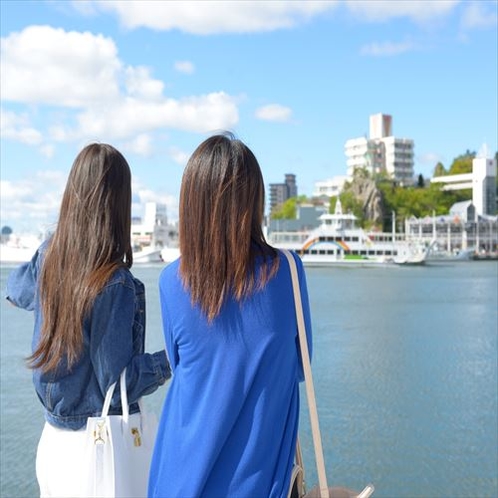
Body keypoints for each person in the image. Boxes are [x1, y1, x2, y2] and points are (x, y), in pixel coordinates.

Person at [148, 132, 312, 498]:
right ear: (254, 202)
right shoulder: (287, 271)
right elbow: (303, 365)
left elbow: (182, 367)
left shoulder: (171, 282)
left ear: (190, 204)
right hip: (258, 482)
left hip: (179, 479)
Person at [6, 143, 171, 498]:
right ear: (118, 204)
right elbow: (120, 383)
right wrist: (171, 360)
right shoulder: (114, 283)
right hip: (95, 451)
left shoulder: (51, 254)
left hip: (52, 446)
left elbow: (17, 289)